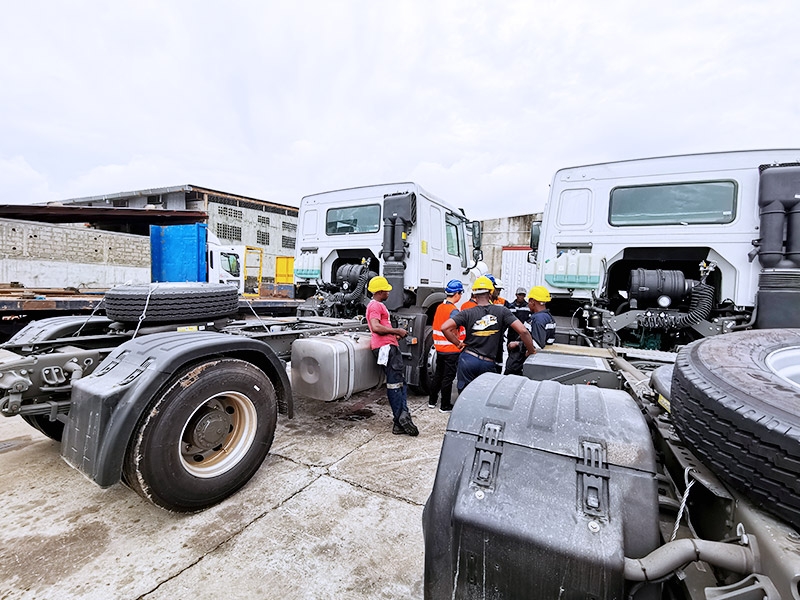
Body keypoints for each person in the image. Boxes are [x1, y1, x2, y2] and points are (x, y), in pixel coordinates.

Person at [441, 276, 536, 393]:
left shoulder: (467, 313)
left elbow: (445, 327)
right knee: (484, 397)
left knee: (465, 397)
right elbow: (523, 331)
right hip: (488, 362)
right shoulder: (502, 311)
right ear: (490, 293)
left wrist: (458, 343)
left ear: (474, 295)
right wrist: (531, 350)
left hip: (468, 360)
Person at [366, 276, 419, 436]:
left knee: (400, 382)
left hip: (387, 347)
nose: (389, 292)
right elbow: (375, 327)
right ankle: (401, 417)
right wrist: (397, 331)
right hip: (387, 349)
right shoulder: (375, 305)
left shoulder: (377, 305)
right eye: (386, 290)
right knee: (395, 383)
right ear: (380, 292)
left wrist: (393, 336)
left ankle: (401, 419)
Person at [428, 280, 465, 412]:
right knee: (448, 378)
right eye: (460, 293)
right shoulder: (453, 311)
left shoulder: (440, 307)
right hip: (451, 349)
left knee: (438, 375)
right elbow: (456, 328)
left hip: (440, 348)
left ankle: (432, 401)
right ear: (457, 294)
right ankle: (445, 405)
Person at [504, 287, 532, 375]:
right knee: (511, 353)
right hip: (512, 334)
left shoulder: (528, 307)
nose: (521, 297)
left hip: (523, 335)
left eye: (523, 295)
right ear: (516, 295)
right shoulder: (510, 306)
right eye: (520, 295)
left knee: (521, 353)